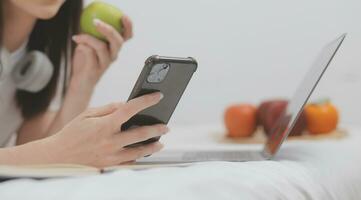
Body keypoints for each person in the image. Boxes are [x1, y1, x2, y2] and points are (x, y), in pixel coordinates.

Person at [0, 0, 168, 168]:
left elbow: (32, 149)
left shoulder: (48, 45)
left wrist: (82, 83)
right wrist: (56, 152)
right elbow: (44, 153)